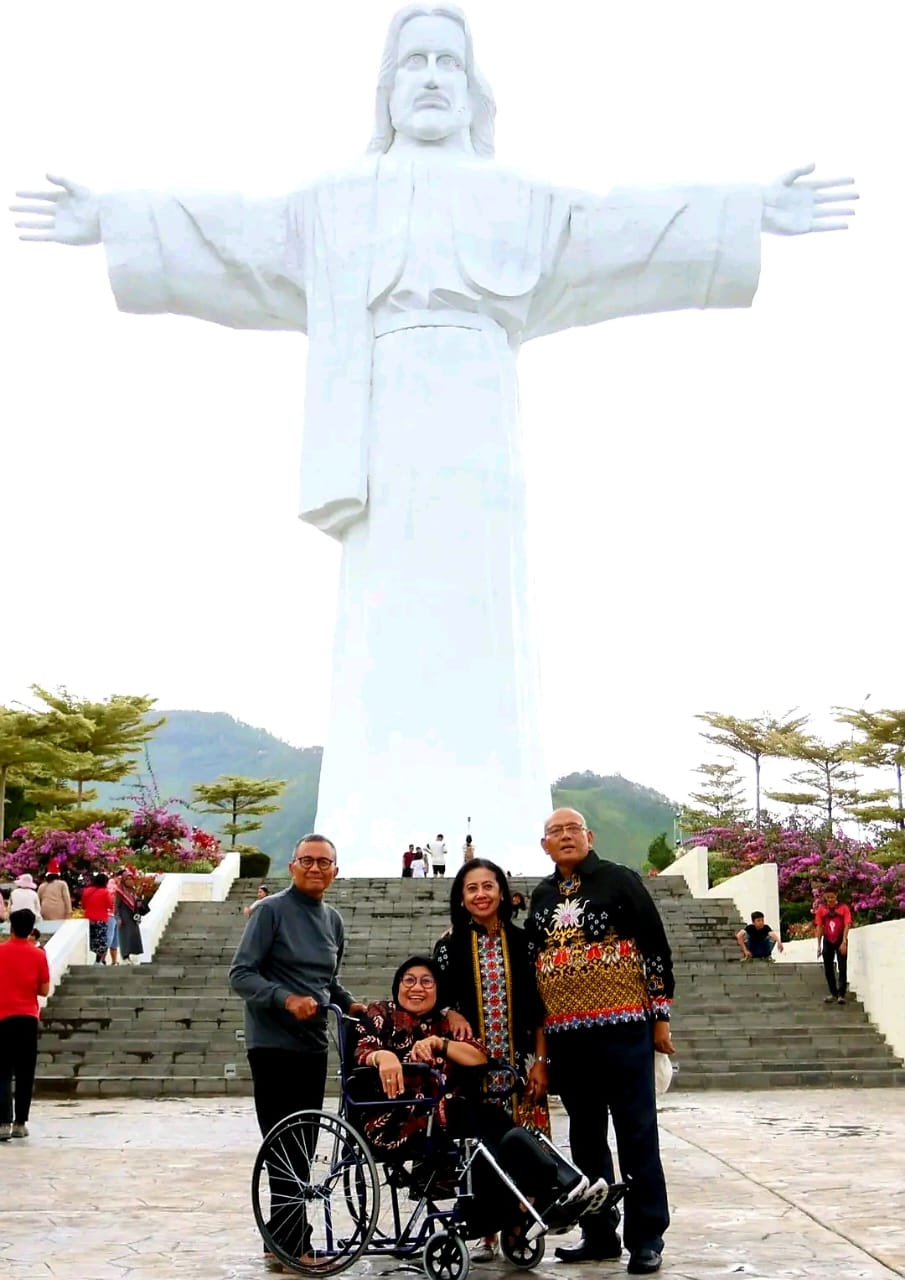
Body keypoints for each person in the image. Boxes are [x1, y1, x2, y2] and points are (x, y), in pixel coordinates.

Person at [13, 10, 856, 865]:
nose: (428, 76)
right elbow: (233, 233)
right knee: (380, 621)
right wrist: (115, 218)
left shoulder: (521, 198)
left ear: (472, 88)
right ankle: (369, 829)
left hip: (481, 414)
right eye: (411, 60)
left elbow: (620, 225)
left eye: (446, 62)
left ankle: (503, 825)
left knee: (486, 616)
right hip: (379, 420)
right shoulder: (335, 200)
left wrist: (750, 209)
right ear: (385, 89)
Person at [354, 954, 606, 1240]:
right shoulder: (381, 1013)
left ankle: (565, 1185)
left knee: (495, 1119)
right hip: (397, 1119)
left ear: (438, 989)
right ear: (398, 985)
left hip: (446, 1115)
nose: (417, 988)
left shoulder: (445, 1023)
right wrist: (383, 1056)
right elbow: (363, 1051)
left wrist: (440, 1043)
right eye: (409, 980)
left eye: (427, 982)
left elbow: (478, 1056)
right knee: (472, 1116)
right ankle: (534, 1198)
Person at [525, 809, 675, 1276]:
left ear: (589, 836)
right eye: (555, 832)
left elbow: (655, 947)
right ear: (544, 845)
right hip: (568, 1039)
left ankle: (646, 1237)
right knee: (586, 1139)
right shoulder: (542, 895)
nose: (565, 836)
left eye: (573, 829)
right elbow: (531, 966)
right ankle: (599, 1233)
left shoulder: (620, 880)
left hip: (625, 1030)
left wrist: (660, 1018)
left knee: (636, 1134)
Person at [229, 833, 366, 1268]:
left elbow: (328, 982)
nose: (315, 868)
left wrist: (351, 1005)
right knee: (283, 1145)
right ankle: (293, 1243)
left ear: (335, 871)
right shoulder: (270, 911)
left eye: (324, 862)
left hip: (313, 1046)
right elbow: (241, 974)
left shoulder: (333, 921)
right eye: (307, 860)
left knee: (303, 1147)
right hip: (272, 1044)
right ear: (292, 867)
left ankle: (279, 1241)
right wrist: (285, 999)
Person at [433, 859, 551, 1263]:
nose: (481, 895)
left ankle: (519, 1225)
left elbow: (539, 1008)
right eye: (472, 888)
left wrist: (540, 1061)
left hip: (519, 1066)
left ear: (502, 892)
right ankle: (485, 1231)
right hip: (470, 1071)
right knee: (481, 1150)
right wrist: (450, 1011)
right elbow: (436, 998)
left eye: (488, 886)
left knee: (524, 1144)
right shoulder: (448, 947)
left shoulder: (524, 943)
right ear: (461, 898)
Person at [0, 909, 51, 1140]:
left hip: (3, 1017)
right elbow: (44, 990)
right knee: (25, 1072)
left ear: (11, 928)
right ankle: (20, 1123)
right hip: (28, 1018)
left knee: (2, 1071)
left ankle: (3, 1122)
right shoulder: (38, 955)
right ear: (31, 930)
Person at [815, 889, 853, 1006]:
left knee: (842, 966)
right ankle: (833, 993)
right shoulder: (821, 909)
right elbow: (819, 927)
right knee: (828, 968)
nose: (830, 899)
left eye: (832, 897)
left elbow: (847, 924)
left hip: (840, 939)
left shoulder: (843, 908)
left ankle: (841, 994)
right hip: (827, 940)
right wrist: (819, 945)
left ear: (836, 896)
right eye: (828, 897)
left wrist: (844, 941)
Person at [80, 873, 115, 964]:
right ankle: (97, 960)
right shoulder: (105, 892)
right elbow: (110, 905)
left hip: (88, 919)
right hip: (101, 919)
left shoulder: (87, 891)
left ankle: (91, 960)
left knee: (90, 940)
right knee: (101, 941)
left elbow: (83, 905)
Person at [113, 869, 145, 964]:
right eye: (127, 879)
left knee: (133, 936)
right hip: (124, 917)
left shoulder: (133, 891)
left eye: (131, 879)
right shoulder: (120, 891)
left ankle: (131, 955)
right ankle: (125, 956)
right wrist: (118, 917)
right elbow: (116, 905)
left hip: (133, 917)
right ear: (123, 880)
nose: (130, 881)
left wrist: (139, 904)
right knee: (125, 936)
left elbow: (136, 903)